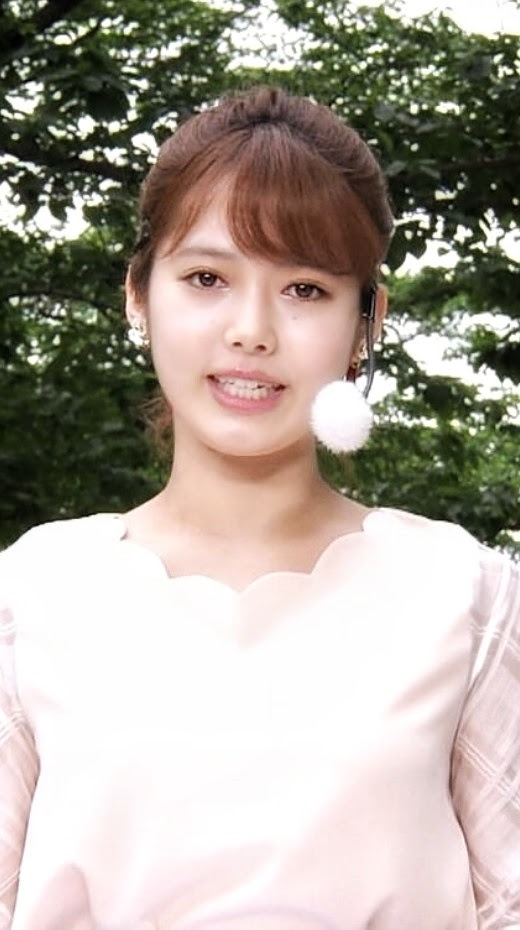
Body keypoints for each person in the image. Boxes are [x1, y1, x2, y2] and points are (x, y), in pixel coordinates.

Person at [0, 85, 518, 930]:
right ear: (138, 294)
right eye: (206, 278)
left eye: (305, 289)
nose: (251, 330)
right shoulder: (30, 596)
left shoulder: (466, 596)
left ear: (366, 321)